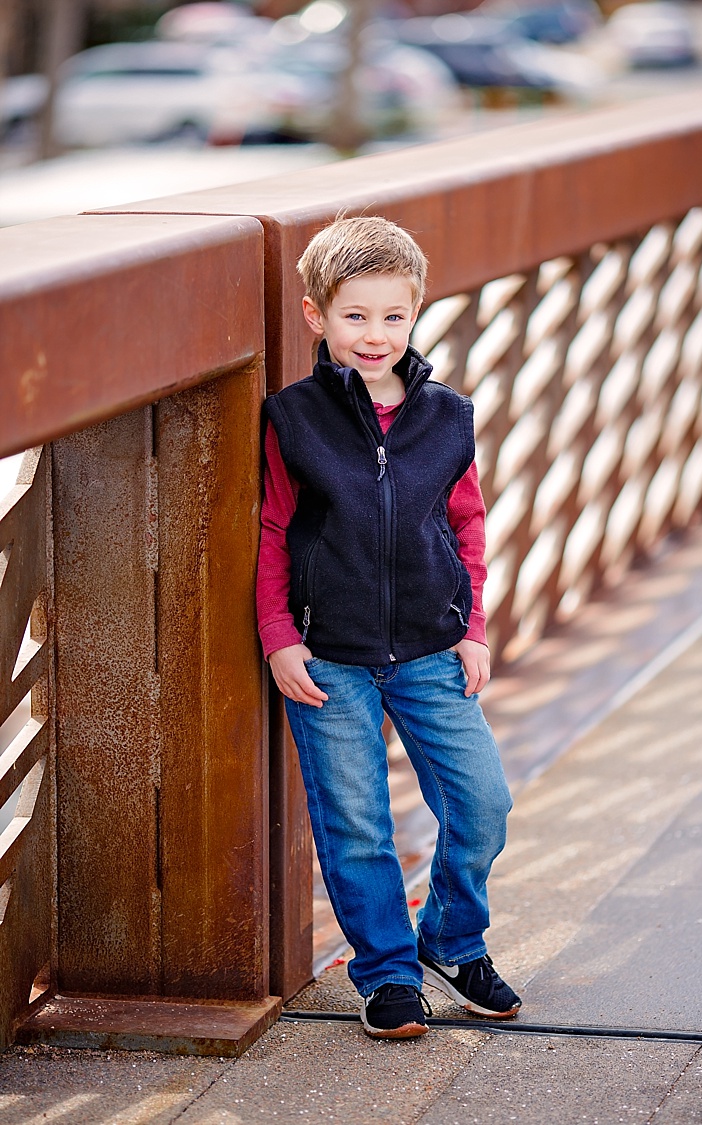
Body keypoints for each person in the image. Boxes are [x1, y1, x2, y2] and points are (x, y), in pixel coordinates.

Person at [257, 215, 520, 1039]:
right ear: (315, 315)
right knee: (358, 823)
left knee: (482, 802)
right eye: (354, 316)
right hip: (326, 653)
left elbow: (467, 525)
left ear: (416, 312)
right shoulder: (293, 417)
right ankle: (385, 971)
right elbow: (273, 526)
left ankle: (449, 936)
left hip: (432, 647)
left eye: (393, 316)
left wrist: (473, 625)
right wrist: (277, 633)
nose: (375, 336)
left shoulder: (447, 417)